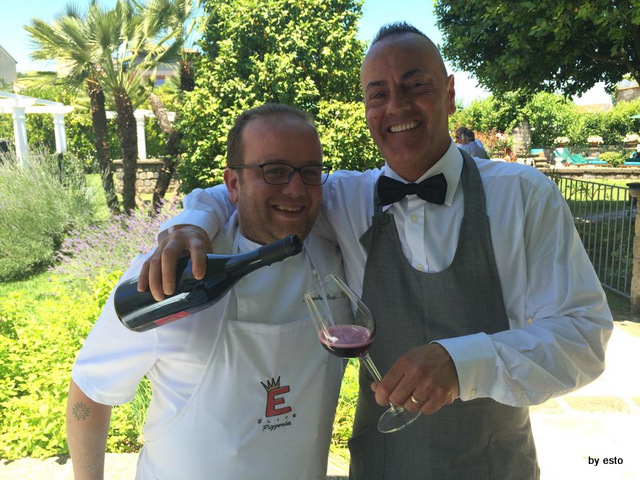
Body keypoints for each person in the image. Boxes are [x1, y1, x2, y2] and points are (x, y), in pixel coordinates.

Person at [142, 23, 613, 479]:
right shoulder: (346, 198)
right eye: (378, 94)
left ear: (450, 94)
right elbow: (246, 189)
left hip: (496, 467)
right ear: (366, 108)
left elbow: (583, 338)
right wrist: (191, 225)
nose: (397, 106)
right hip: (380, 467)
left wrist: (461, 363)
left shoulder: (522, 195)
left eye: (415, 85)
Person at [66, 104, 345, 480]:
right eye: (275, 171)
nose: (296, 189)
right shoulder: (169, 272)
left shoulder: (335, 256)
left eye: (310, 172)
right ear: (233, 184)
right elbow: (90, 390)